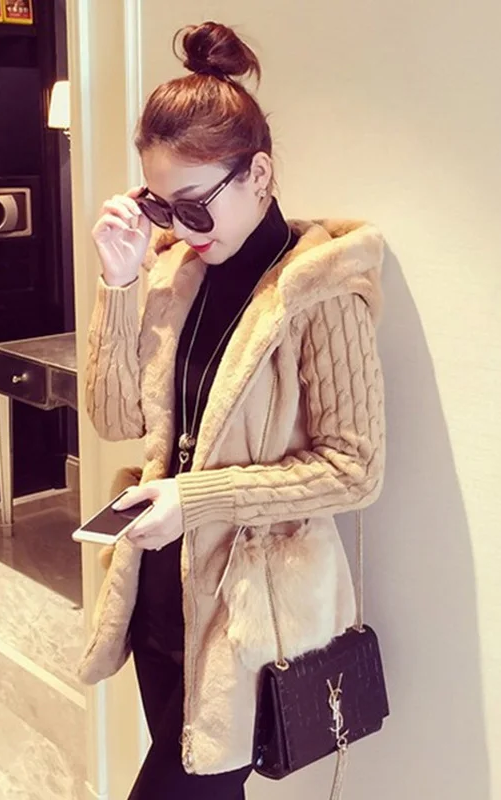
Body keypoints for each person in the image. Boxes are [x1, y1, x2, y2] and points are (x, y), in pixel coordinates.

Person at [77, 20, 386, 800]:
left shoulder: (319, 292)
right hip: (158, 596)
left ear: (259, 174)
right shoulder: (169, 275)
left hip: (246, 621)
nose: (181, 230)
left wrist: (196, 498)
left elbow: (355, 469)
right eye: (161, 207)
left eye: (196, 205)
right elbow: (114, 419)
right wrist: (117, 285)